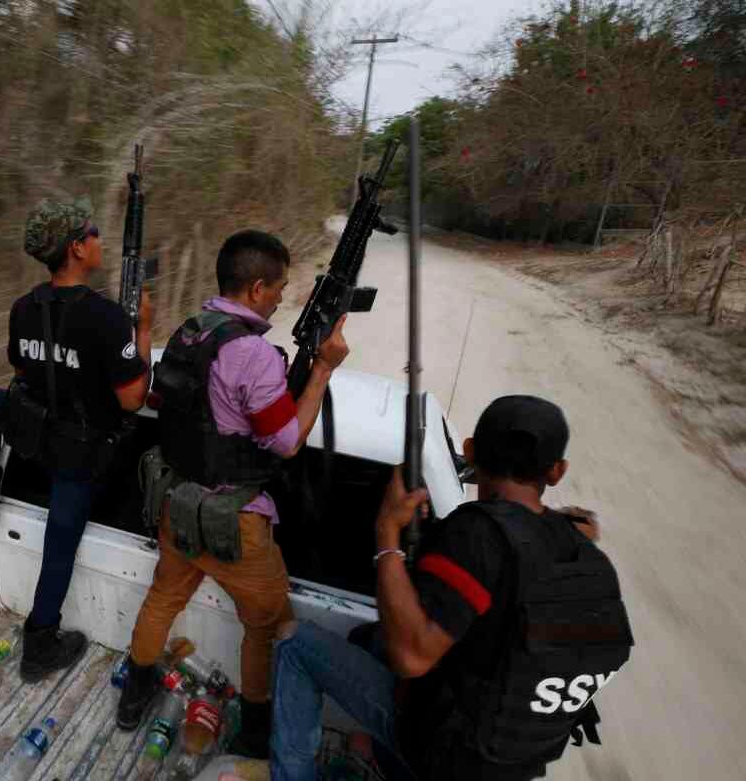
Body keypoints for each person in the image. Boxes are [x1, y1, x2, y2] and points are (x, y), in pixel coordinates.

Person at [270, 395, 634, 781]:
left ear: (470, 451)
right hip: (514, 761)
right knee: (369, 638)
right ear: (557, 472)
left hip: (443, 753)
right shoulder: (590, 561)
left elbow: (410, 658)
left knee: (295, 644)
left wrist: (387, 530)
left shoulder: (476, 535)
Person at [116, 230, 350, 759]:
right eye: (280, 288)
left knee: (163, 598)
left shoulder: (189, 333)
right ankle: (255, 729)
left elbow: (166, 401)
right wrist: (322, 370)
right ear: (257, 288)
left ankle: (133, 697)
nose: (283, 298)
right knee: (266, 623)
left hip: (177, 504)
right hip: (233, 521)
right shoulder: (253, 353)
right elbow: (286, 442)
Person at [0, 196, 153, 683]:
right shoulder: (106, 317)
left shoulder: (24, 308)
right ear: (77, 248)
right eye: (93, 232)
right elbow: (132, 399)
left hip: (36, 436)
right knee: (60, 542)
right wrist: (143, 330)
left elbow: (23, 374)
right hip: (81, 452)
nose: (100, 239)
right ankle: (39, 645)